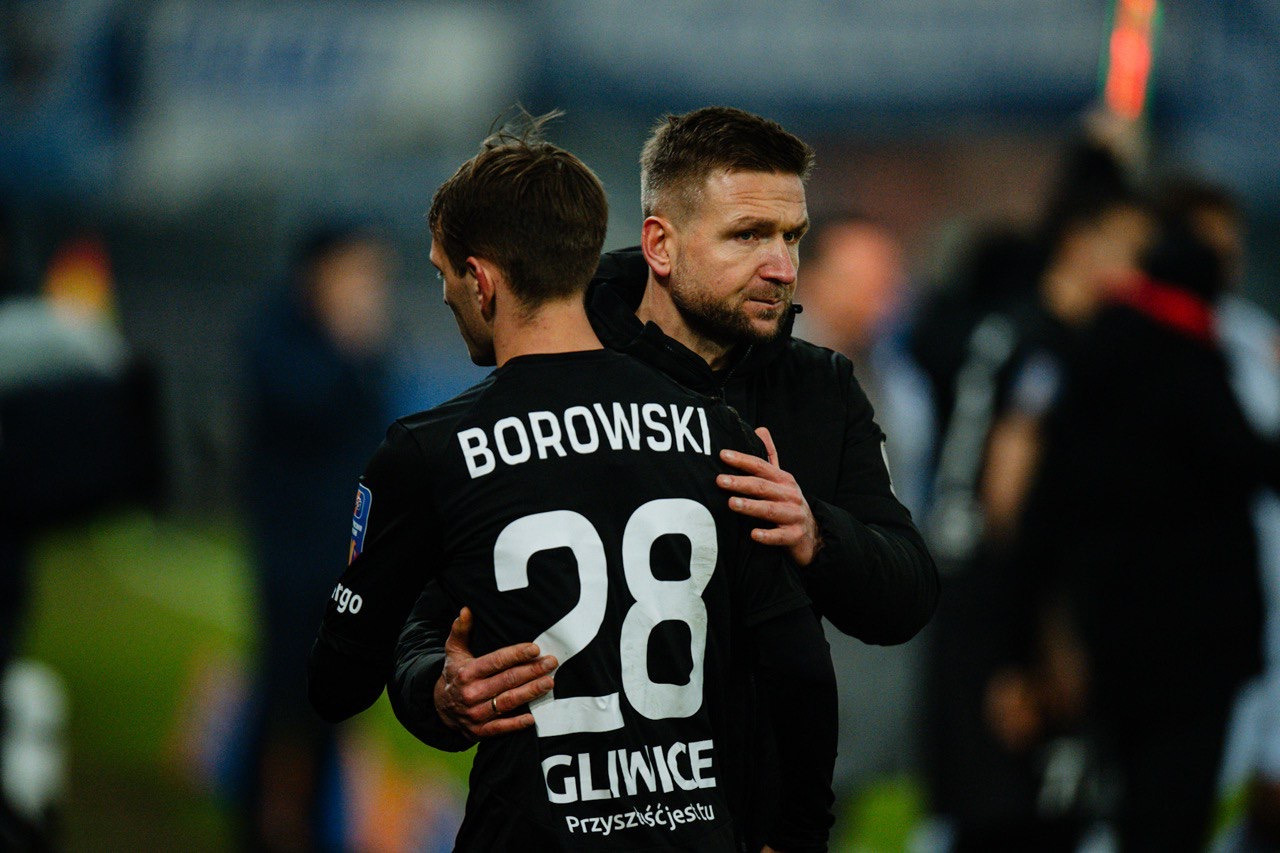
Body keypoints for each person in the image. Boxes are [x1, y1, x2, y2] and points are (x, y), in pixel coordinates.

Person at [391, 106, 937, 848]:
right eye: (748, 235)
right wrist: (436, 686)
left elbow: (906, 593)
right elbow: (426, 618)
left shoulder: (820, 388)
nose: (782, 267)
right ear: (660, 245)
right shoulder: (556, 369)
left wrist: (817, 532)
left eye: (792, 237)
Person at [1013, 195, 1280, 851]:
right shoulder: (1189, 357)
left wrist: (1036, 635)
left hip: (1111, 632)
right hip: (1195, 641)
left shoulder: (1095, 355)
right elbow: (1247, 461)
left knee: (1131, 804)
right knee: (1176, 807)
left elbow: (1043, 507)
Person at [241, 223, 393, 850]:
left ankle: (314, 822)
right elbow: (301, 406)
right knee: (284, 689)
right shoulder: (278, 334)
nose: (367, 287)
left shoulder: (367, 344)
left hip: (345, 552)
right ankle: (262, 819)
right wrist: (348, 343)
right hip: (290, 549)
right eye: (355, 270)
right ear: (319, 272)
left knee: (338, 690)